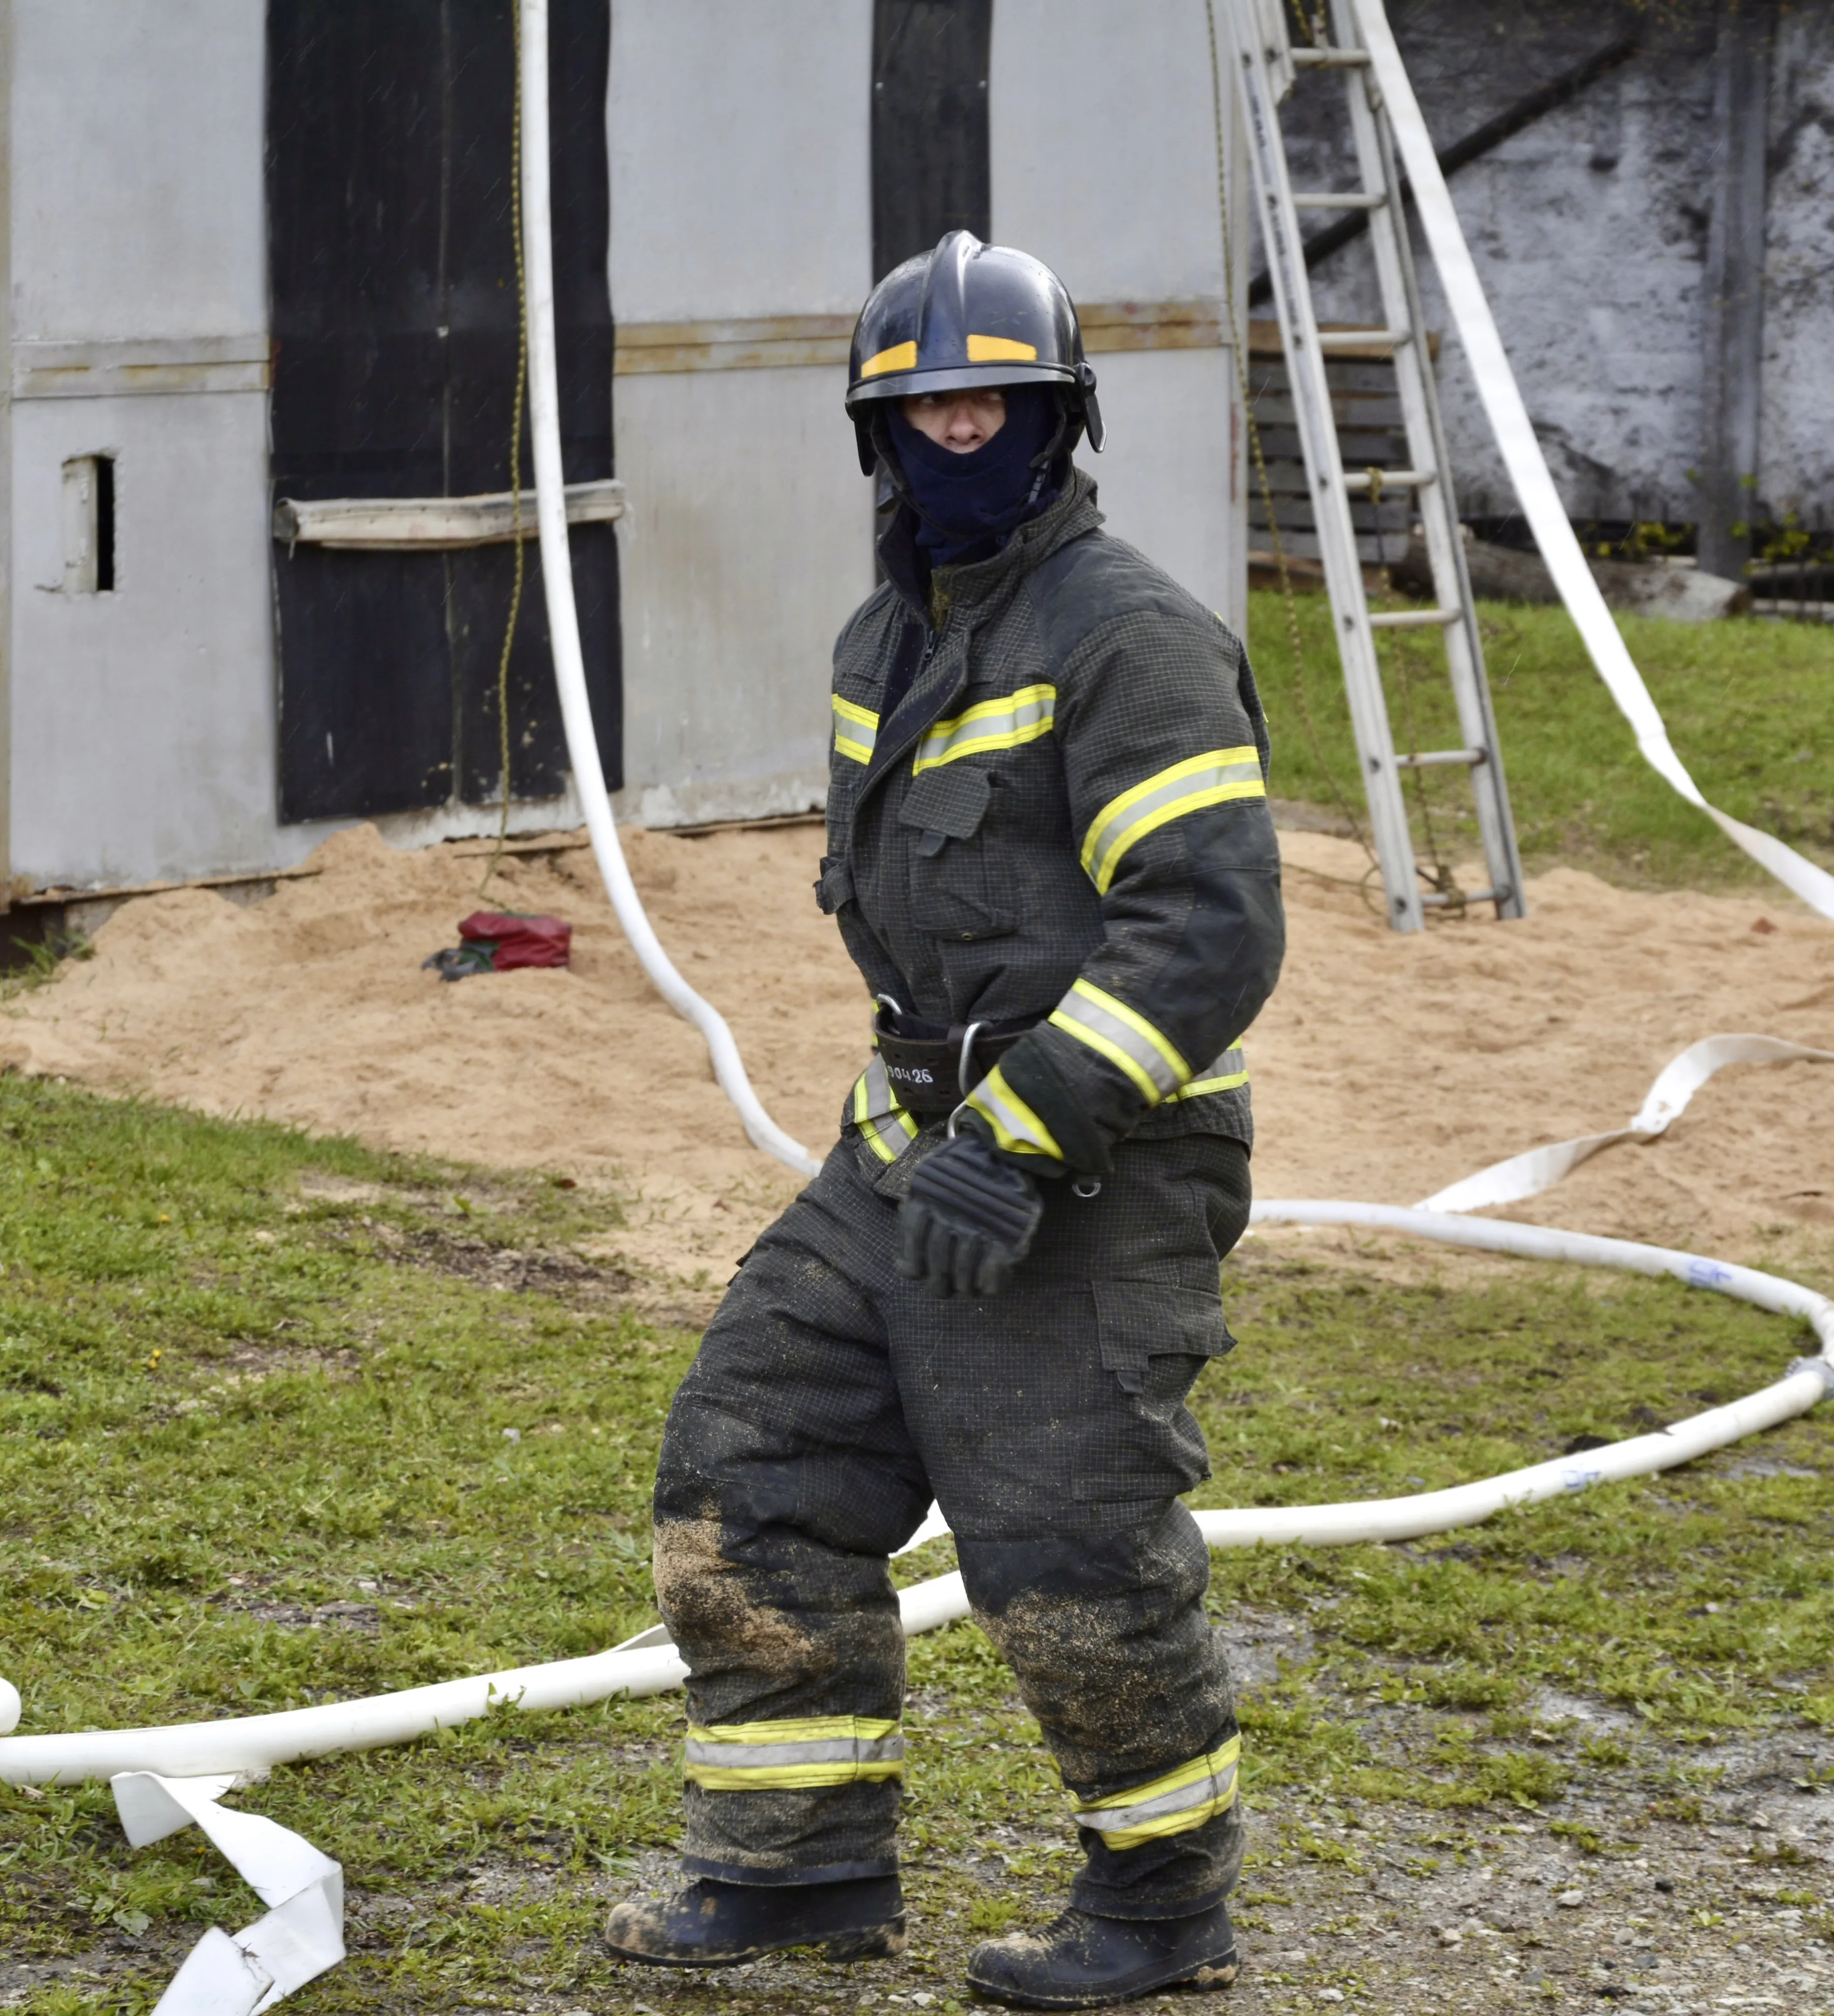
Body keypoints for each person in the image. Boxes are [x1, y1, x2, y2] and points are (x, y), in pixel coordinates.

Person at [600, 231, 1286, 2010]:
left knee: (1067, 1539)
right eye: (924, 410)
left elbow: (1209, 925)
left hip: (1094, 1165)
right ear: (875, 435)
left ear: (1060, 423)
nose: (957, 436)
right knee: (752, 1464)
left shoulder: (1130, 640)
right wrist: (937, 1129)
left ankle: (1157, 1909)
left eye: (995, 405)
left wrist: (1030, 1129)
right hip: (905, 1146)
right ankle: (795, 1871)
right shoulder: (887, 638)